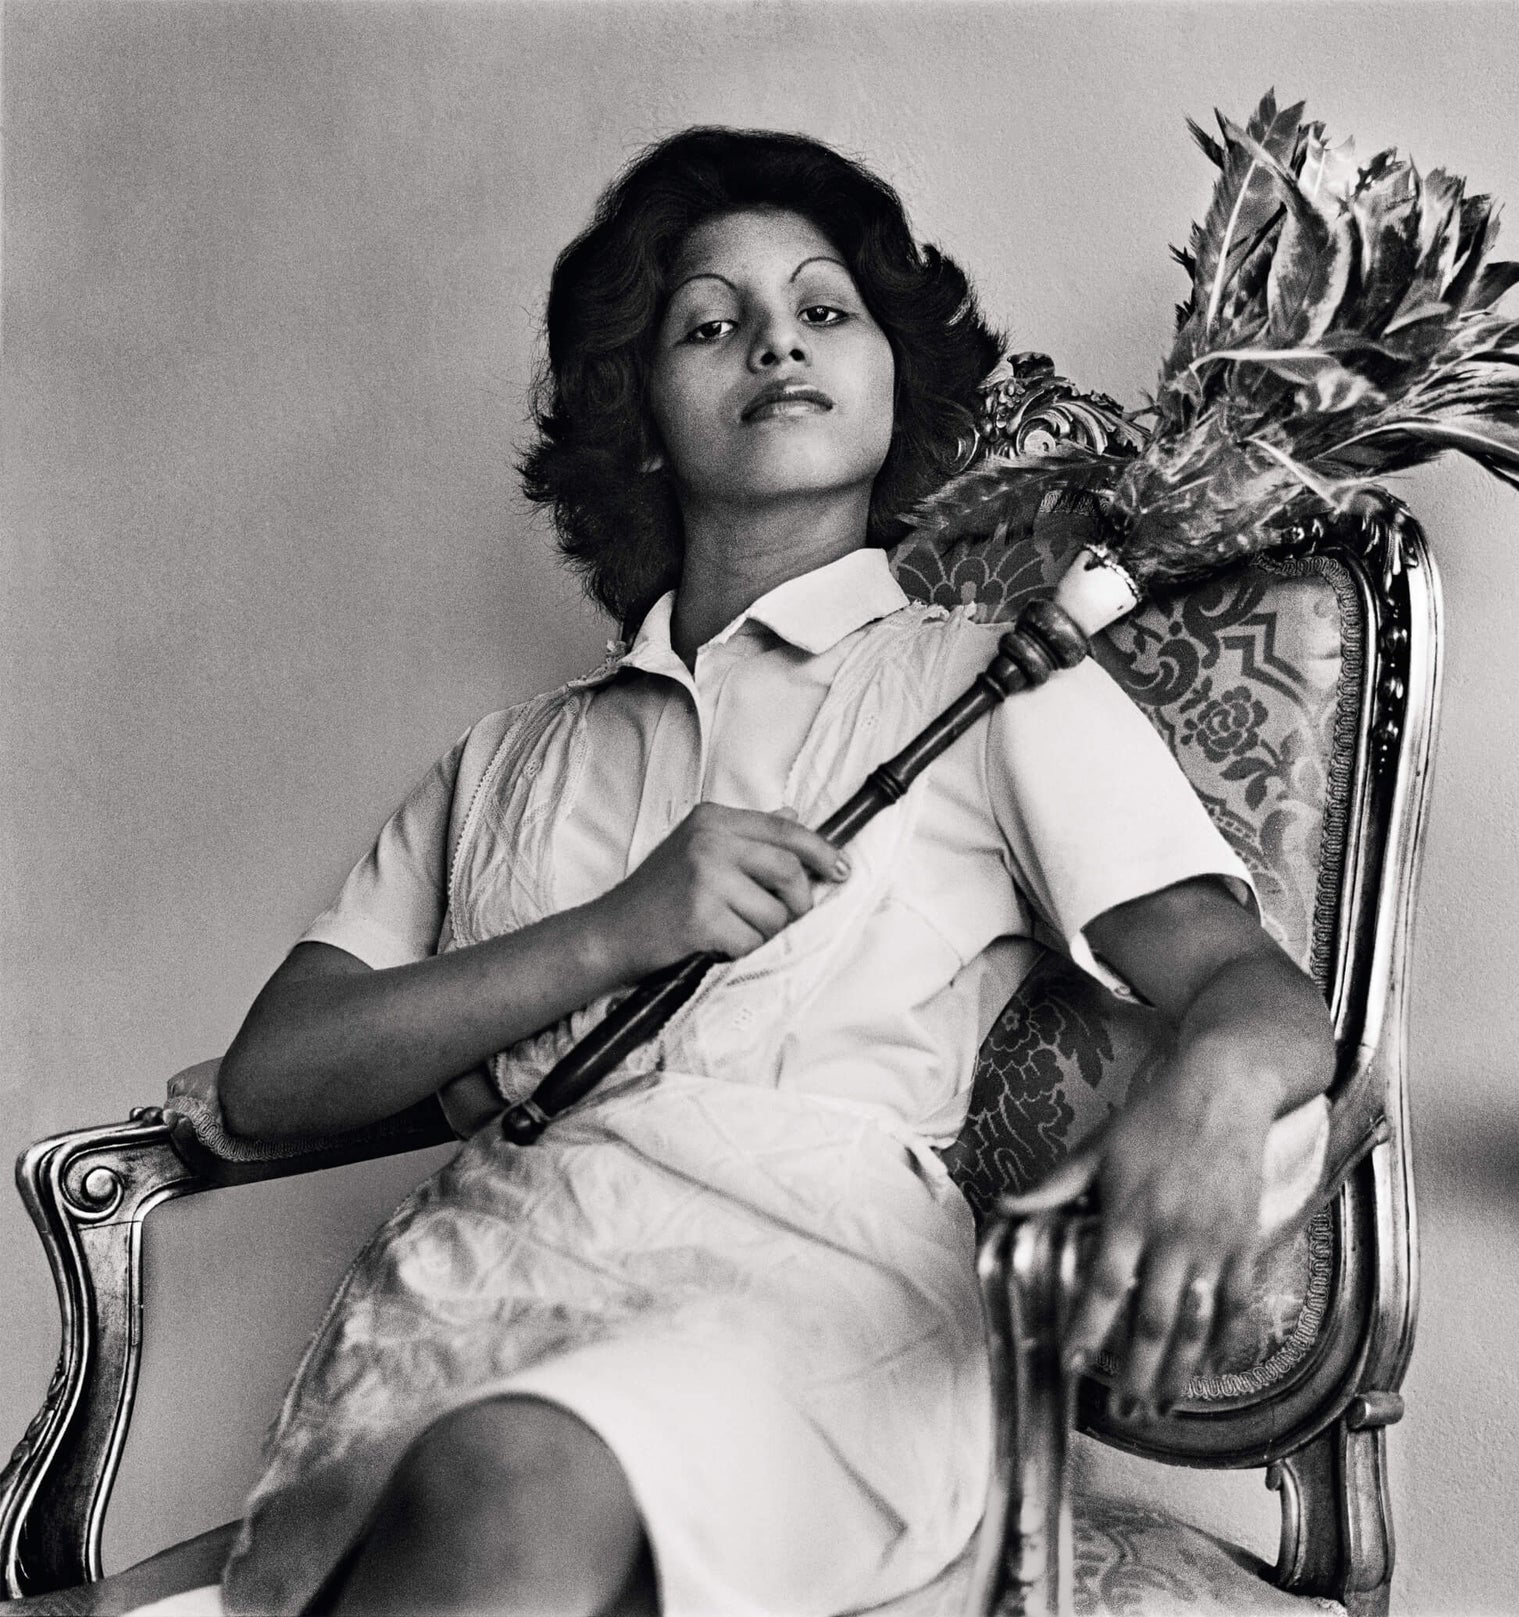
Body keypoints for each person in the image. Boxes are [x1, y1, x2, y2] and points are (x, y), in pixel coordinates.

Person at [204, 128, 1334, 1617]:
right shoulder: (507, 760)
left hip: (818, 1304)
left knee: (517, 1471)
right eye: (710, 321)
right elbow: (270, 1078)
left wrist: (1213, 1094)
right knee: (473, 1468)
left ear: (891, 379)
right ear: (645, 412)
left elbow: (1254, 996)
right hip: (478, 1291)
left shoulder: (994, 680)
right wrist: (617, 930)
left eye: (824, 309)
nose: (776, 344)